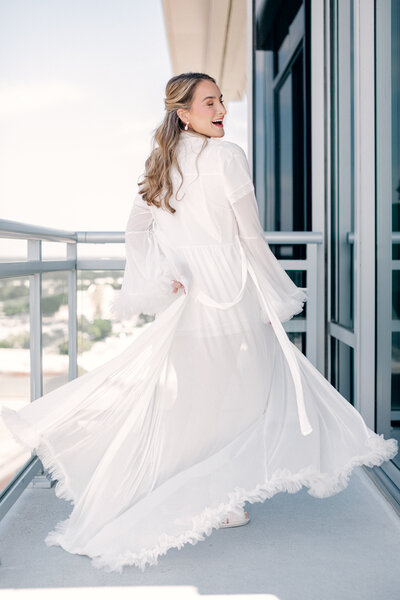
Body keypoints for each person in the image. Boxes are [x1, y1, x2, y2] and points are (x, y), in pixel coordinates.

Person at [0, 72, 398, 574]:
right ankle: (216, 499)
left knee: (201, 400)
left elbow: (136, 230)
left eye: (222, 101)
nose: (222, 110)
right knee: (241, 401)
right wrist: (278, 290)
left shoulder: (162, 162)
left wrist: (166, 273)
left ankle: (208, 495)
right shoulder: (228, 158)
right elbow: (250, 237)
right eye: (210, 102)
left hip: (191, 301)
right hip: (232, 296)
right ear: (183, 112)